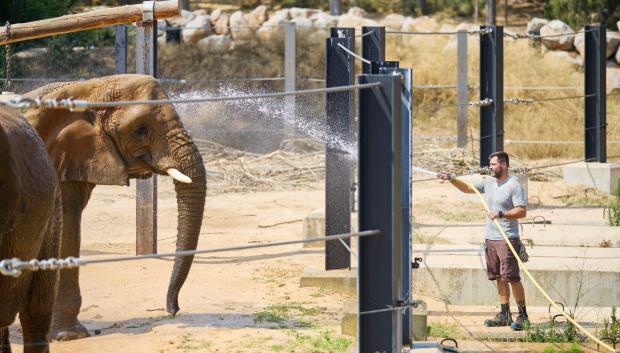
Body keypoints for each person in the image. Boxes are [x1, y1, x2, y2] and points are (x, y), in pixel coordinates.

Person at [437, 151, 529, 331]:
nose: (490, 167)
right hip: (491, 239)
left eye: (494, 164)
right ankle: (504, 315)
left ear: (504, 165)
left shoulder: (513, 185)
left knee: (512, 277)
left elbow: (522, 211)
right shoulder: (488, 182)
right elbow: (467, 188)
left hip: (507, 239)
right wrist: (451, 178)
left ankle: (523, 316)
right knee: (498, 278)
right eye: (490, 164)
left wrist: (501, 214)